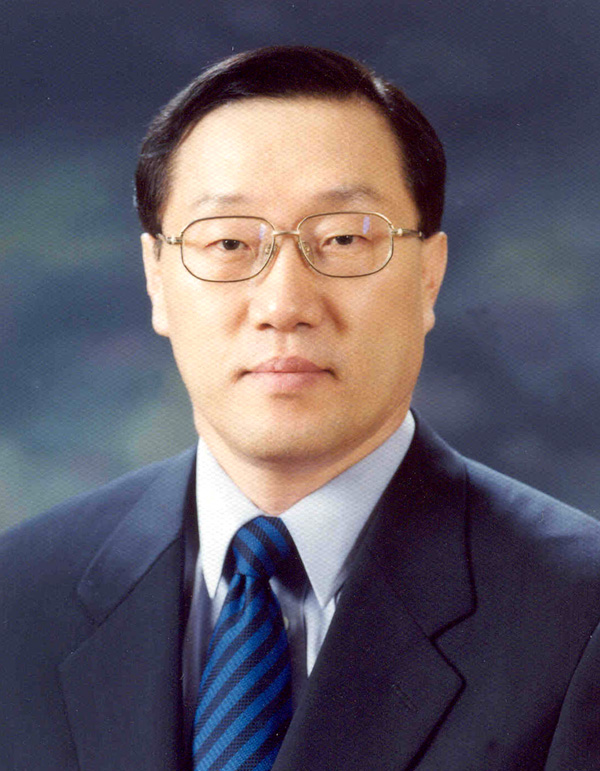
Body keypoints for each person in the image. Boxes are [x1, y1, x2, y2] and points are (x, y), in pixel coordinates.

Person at [1, 45, 600, 771]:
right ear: (156, 278)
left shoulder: (579, 614)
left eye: (344, 238)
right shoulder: (18, 594)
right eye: (228, 241)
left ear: (429, 275)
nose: (284, 304)